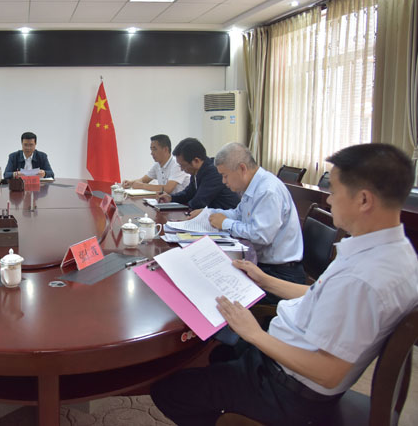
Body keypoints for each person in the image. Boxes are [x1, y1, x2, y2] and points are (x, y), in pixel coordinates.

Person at [151, 143, 418, 425]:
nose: (329, 200)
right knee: (218, 353)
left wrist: (255, 333)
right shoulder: (395, 254)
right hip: (286, 353)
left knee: (169, 391)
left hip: (287, 387)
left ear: (364, 200)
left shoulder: (362, 278)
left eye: (335, 191)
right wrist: (265, 280)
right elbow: (320, 293)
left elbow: (329, 373)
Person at [191, 142, 304, 301]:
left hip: (281, 275)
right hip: (263, 267)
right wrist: (209, 213)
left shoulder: (268, 191)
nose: (223, 181)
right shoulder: (253, 186)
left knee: (218, 293)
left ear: (242, 168)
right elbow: (238, 214)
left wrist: (225, 223)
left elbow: (261, 235)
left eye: (225, 175)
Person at [157, 138, 239, 210]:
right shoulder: (197, 171)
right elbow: (188, 193)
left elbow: (199, 203)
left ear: (196, 161)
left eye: (183, 165)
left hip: (225, 219)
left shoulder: (214, 172)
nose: (181, 169)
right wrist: (171, 198)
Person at [122, 134, 189, 195]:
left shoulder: (177, 164)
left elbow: (168, 189)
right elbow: (143, 180)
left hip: (181, 202)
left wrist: (142, 186)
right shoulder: (157, 165)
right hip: (167, 200)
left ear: (165, 149)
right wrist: (130, 183)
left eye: (155, 149)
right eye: (151, 150)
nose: (152, 153)